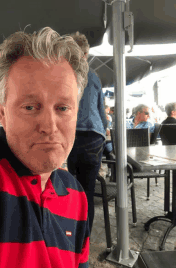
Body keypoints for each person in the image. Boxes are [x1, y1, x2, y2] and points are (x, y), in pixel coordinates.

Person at [0, 27, 100, 268]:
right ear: (2, 112)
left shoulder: (76, 195)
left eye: (63, 108)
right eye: (30, 107)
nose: (49, 125)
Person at [67, 31, 107, 234]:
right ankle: (84, 240)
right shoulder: (93, 76)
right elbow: (102, 113)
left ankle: (67, 235)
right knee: (87, 191)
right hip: (94, 137)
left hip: (71, 135)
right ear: (85, 54)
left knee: (65, 189)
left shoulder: (63, 73)